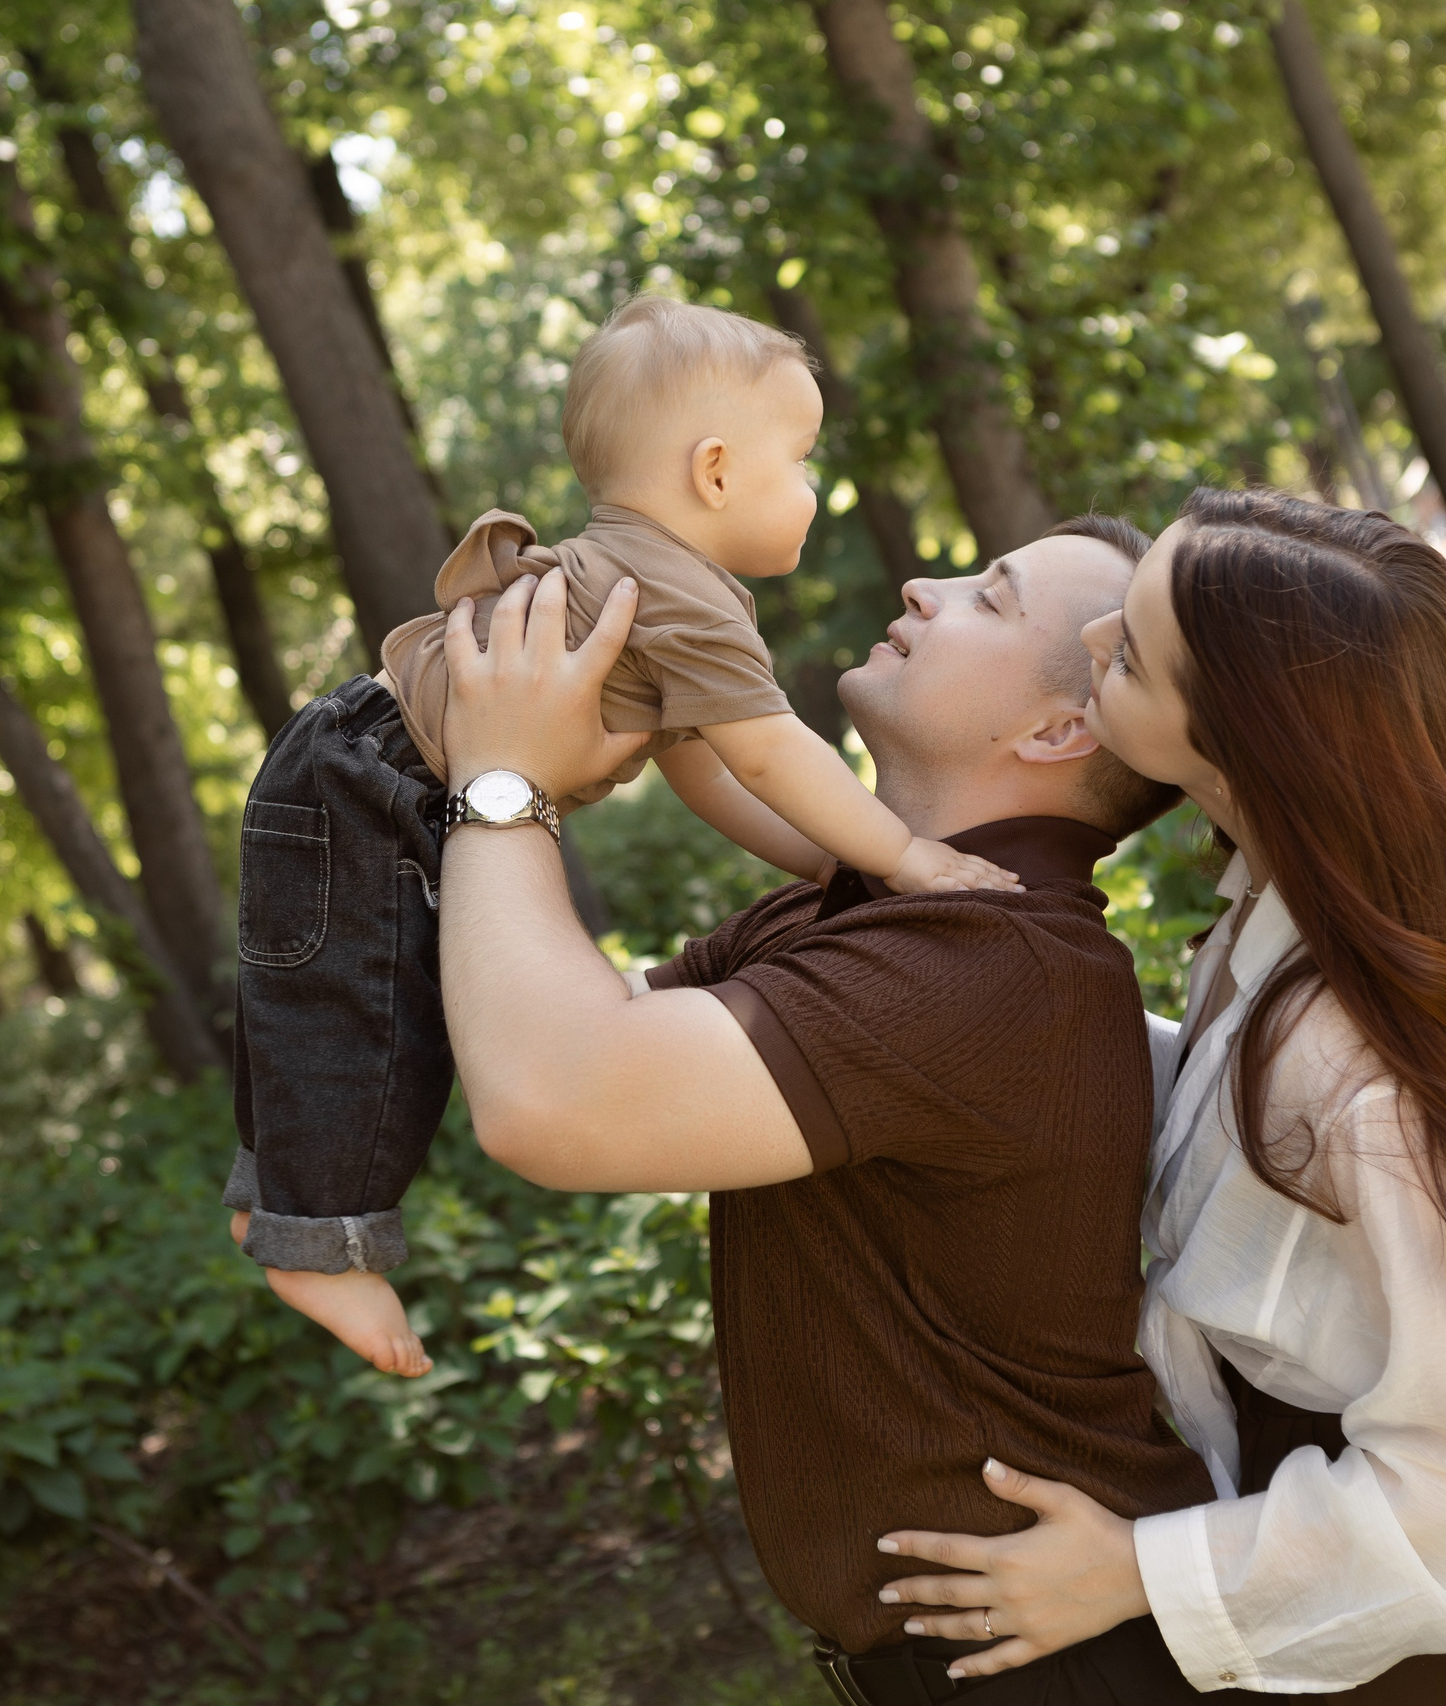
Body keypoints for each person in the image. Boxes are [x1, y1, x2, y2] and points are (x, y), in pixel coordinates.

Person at [873, 489, 1446, 1702]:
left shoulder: (1362, 1065)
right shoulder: (1291, 921)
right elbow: (1222, 1124)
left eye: (1129, 654)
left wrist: (1131, 1572)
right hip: (1426, 1529)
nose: (1089, 639)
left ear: (1241, 748)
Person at [353, 518, 1246, 1704]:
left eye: (988, 597)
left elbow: (550, 1102)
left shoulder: (991, 965)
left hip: (1063, 1672)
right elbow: (532, 1031)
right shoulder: (858, 916)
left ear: (1055, 730)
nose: (921, 585)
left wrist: (502, 783)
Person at [221, 295, 1014, 1378]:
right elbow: (771, 755)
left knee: (340, 993)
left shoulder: (652, 582)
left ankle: (278, 1202)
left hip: (352, 756)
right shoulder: (687, 600)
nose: (813, 486)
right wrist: (905, 855)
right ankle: (320, 1242)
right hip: (370, 778)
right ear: (716, 472)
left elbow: (703, 771)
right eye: (802, 459)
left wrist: (832, 862)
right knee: (368, 1003)